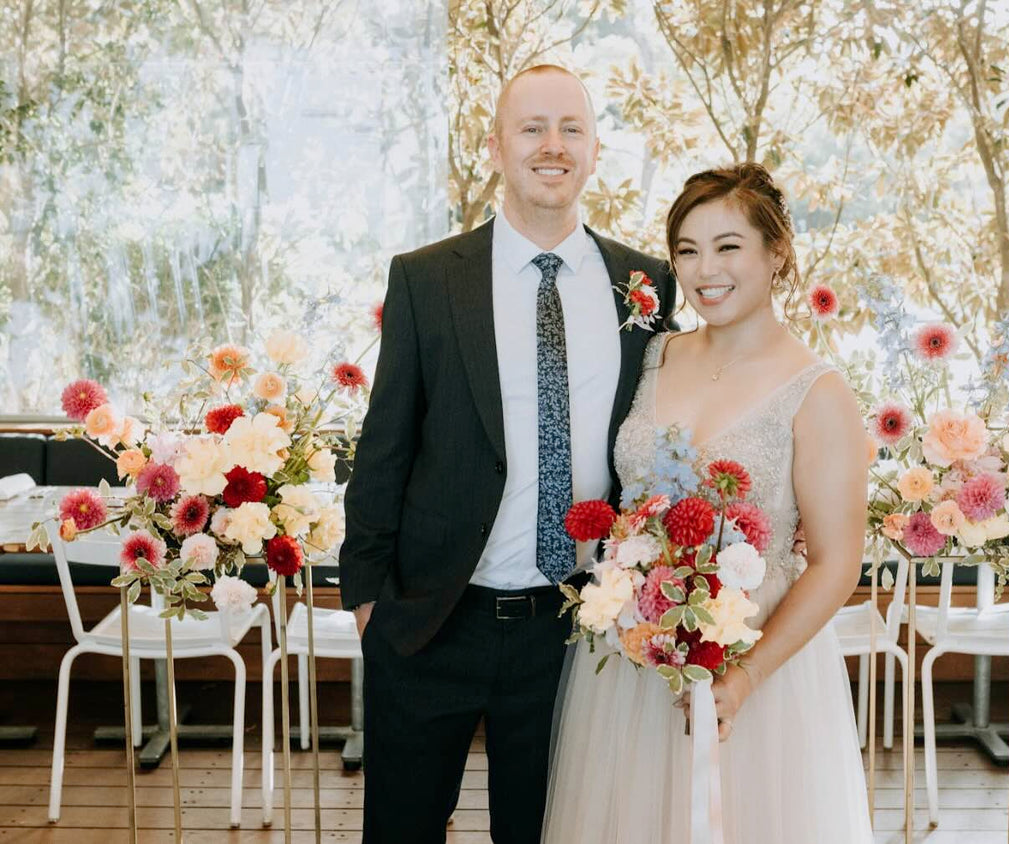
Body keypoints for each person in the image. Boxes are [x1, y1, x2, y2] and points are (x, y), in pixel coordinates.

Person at [338, 64, 676, 843]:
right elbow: (384, 443)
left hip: (575, 631)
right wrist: (368, 600)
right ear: (495, 146)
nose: (551, 145)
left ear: (595, 150)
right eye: (531, 128)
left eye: (571, 129)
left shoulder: (646, 285)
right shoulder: (426, 279)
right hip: (432, 620)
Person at [542, 163, 874, 843]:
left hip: (759, 671)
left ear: (776, 252)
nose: (704, 270)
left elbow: (838, 564)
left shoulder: (819, 393)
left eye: (728, 246)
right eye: (687, 251)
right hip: (628, 671)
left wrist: (743, 680)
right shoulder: (652, 355)